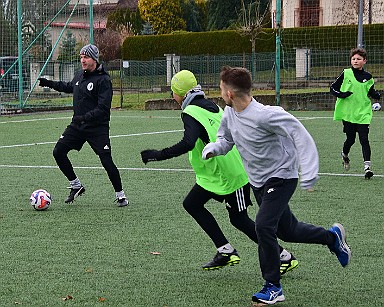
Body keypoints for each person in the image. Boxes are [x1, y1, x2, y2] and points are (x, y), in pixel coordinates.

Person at [202, 66, 351, 305]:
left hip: (282, 177)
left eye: (221, 89)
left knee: (263, 226)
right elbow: (226, 139)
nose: (219, 94)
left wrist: (309, 173)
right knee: (287, 231)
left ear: (229, 93)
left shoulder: (266, 114)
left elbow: (300, 135)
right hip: (259, 182)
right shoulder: (230, 113)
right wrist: (213, 149)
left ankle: (272, 286)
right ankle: (332, 238)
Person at [140, 70, 298, 273]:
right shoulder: (211, 105)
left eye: (174, 91)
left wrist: (158, 154)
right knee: (192, 204)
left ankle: (283, 256)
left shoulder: (190, 112)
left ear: (181, 93)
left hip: (231, 174)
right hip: (214, 175)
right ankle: (225, 250)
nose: (173, 96)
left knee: (239, 220)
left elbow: (188, 143)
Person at [37, 44, 128, 207]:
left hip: (97, 128)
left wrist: (84, 118)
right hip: (78, 125)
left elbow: (103, 109)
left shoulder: (104, 80)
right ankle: (76, 185)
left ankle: (121, 195)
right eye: (81, 57)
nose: (82, 60)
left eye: (85, 57)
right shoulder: (80, 75)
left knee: (106, 161)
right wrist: (48, 83)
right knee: (58, 152)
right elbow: (68, 87)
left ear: (94, 59)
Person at [331, 47, 381, 179]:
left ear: (364, 61)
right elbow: (333, 88)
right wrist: (342, 94)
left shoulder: (368, 77)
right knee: (351, 139)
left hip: (363, 112)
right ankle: (345, 155)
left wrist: (376, 95)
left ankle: (367, 167)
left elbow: (370, 91)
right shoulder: (346, 73)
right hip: (348, 113)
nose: (355, 61)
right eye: (353, 59)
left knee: (364, 139)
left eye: (358, 59)